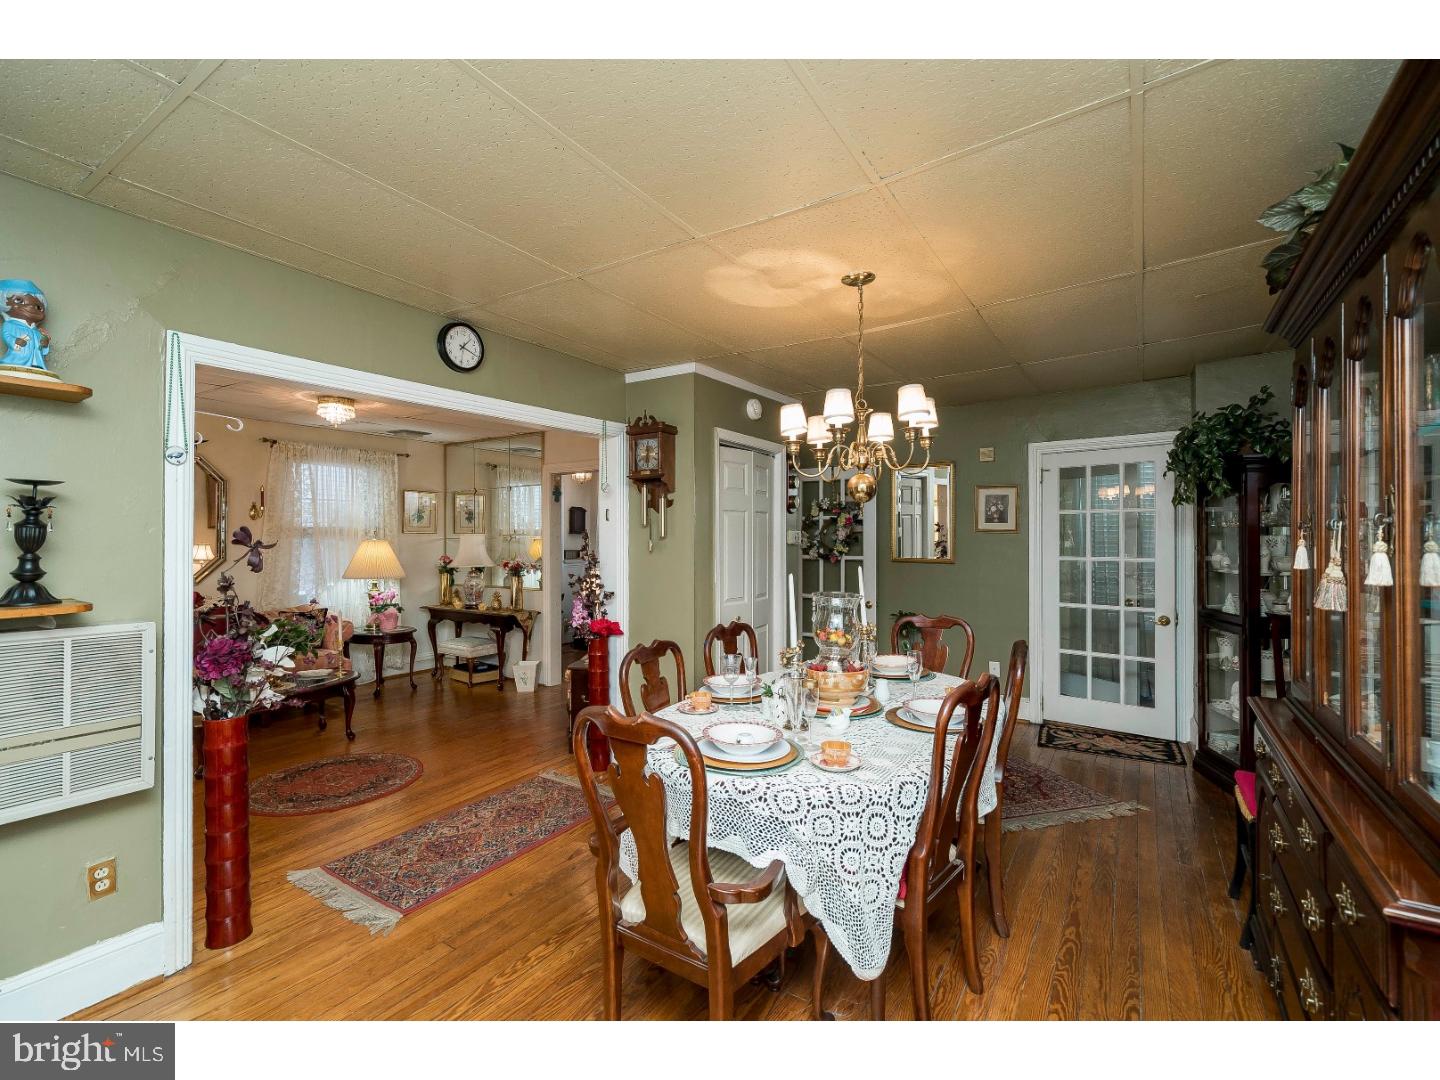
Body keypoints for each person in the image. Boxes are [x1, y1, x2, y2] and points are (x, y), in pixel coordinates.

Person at [0, 279, 52, 375]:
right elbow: (7, 336)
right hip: (16, 362)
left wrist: (45, 344)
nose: (31, 307)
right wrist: (15, 341)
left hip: (38, 365)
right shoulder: (10, 325)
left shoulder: (37, 331)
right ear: (4, 303)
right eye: (19, 301)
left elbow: (42, 349)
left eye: (38, 307)